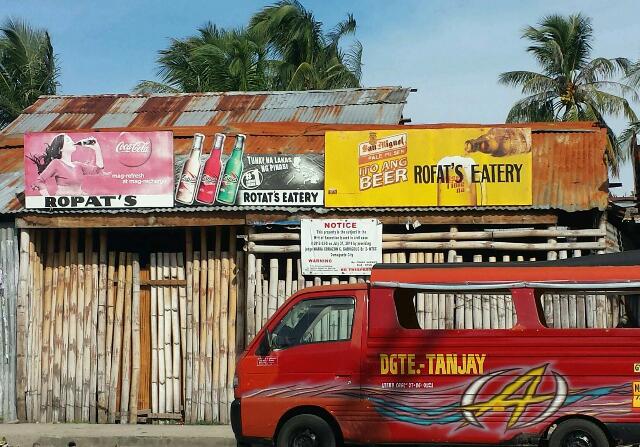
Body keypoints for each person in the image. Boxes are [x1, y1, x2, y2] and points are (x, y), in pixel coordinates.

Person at [28, 133, 104, 196]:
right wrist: (49, 200)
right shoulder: (56, 163)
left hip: (79, 200)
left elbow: (98, 170)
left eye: (71, 140)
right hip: (64, 201)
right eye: (68, 140)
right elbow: (39, 182)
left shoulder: (78, 165)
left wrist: (97, 149)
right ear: (60, 148)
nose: (72, 142)